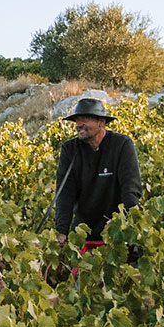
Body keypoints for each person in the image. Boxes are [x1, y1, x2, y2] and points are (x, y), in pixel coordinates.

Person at [53, 97, 142, 254]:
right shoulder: (70, 149)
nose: (79, 124)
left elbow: (130, 190)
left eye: (85, 119)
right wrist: (61, 231)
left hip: (115, 233)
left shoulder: (122, 145)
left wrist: (128, 226)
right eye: (77, 120)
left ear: (102, 122)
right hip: (83, 233)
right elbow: (65, 194)